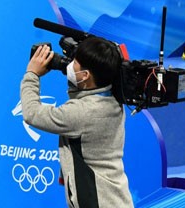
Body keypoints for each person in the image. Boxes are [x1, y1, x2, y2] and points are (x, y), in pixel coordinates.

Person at [21, 38, 134, 208]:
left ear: (86, 75)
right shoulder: (113, 98)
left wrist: (32, 74)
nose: (69, 66)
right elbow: (86, 91)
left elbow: (32, 113)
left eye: (75, 63)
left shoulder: (81, 112)